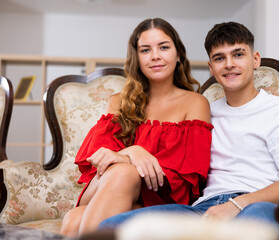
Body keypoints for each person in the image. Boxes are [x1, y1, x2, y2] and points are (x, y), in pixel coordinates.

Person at [99, 21, 279, 231]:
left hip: (258, 206)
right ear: (211, 68)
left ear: (255, 60)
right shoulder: (203, 113)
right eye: (219, 58)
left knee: (254, 221)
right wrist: (131, 154)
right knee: (113, 226)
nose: (229, 64)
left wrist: (236, 204)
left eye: (238, 54)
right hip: (203, 210)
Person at [60, 18, 213, 237]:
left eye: (164, 47)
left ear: (178, 54)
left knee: (74, 219)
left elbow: (185, 182)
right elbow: (100, 163)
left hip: (163, 200)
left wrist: (124, 158)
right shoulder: (118, 102)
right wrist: (133, 152)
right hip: (102, 189)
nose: (155, 56)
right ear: (137, 58)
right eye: (145, 50)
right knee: (121, 171)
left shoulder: (195, 103)